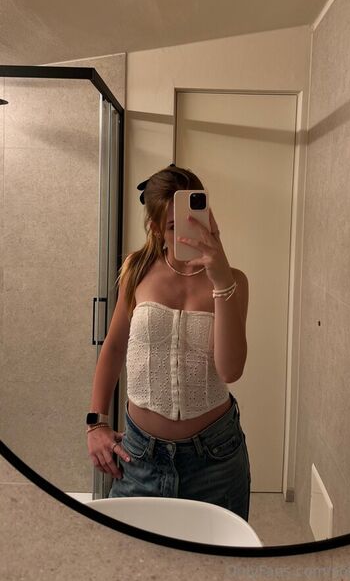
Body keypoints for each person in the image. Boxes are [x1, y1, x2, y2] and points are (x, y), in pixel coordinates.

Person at [86, 164, 251, 520]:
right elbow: (114, 347)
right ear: (157, 228)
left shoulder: (234, 281)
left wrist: (221, 281)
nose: (188, 235)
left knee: (215, 555)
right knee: (127, 551)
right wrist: (96, 423)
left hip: (215, 460)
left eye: (196, 221)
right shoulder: (136, 270)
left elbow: (231, 370)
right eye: (175, 226)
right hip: (140, 457)